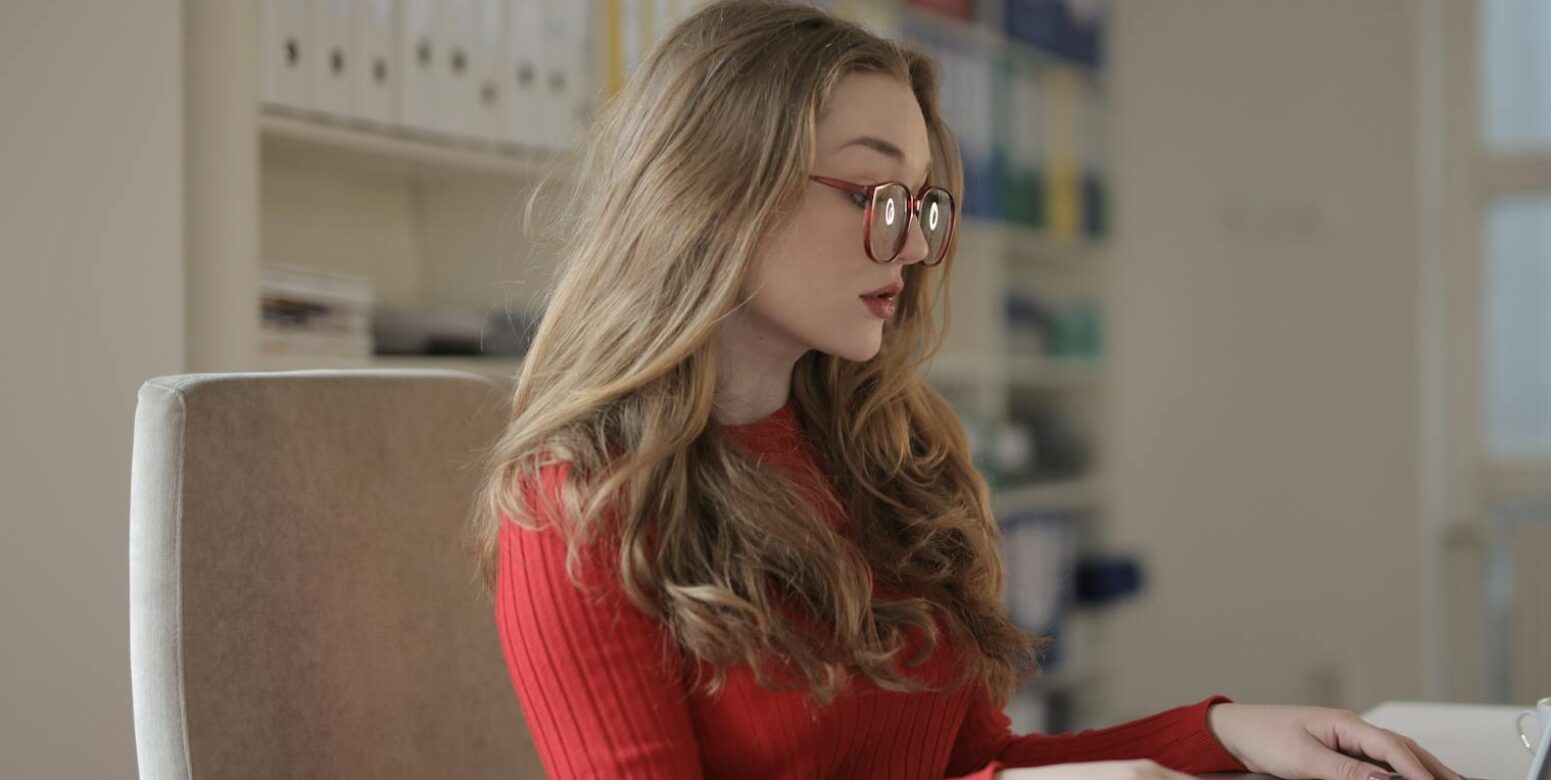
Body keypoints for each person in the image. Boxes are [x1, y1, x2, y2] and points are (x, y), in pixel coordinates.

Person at [472, 2, 1463, 778]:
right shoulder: (581, 506)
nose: (909, 245)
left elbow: (973, 767)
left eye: (924, 208)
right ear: (718, 188)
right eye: (876, 196)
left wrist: (1226, 734)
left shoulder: (881, 454)